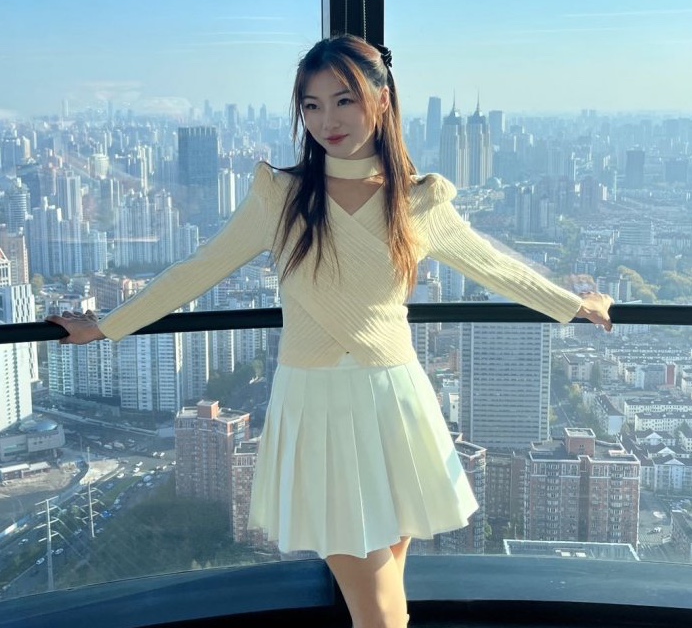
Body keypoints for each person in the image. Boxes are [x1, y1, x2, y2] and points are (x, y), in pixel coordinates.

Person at [47, 34, 614, 628]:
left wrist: (575, 305)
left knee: (387, 596)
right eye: (312, 106)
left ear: (382, 100)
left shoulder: (418, 201)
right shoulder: (280, 196)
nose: (327, 121)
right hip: (316, 407)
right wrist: (106, 326)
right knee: (380, 609)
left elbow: (494, 266)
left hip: (395, 401)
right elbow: (200, 268)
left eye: (344, 100)